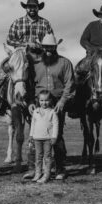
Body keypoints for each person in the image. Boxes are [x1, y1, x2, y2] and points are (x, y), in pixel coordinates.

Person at [26, 34, 75, 181]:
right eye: (46, 46)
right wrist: (30, 102)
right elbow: (29, 85)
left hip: (56, 105)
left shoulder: (65, 63)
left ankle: (60, 168)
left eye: (51, 47)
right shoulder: (35, 64)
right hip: (38, 105)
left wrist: (62, 101)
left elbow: (69, 84)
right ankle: (34, 169)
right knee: (35, 135)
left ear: (55, 47)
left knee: (57, 136)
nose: (48, 49)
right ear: (42, 47)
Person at [29, 90, 59, 183]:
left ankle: (47, 174)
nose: (44, 103)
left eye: (46, 100)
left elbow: (56, 125)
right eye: (41, 100)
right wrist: (31, 135)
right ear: (38, 100)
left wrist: (54, 137)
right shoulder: (35, 112)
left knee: (47, 157)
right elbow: (33, 124)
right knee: (38, 156)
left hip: (47, 139)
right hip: (37, 138)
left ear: (50, 100)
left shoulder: (52, 112)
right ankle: (38, 173)